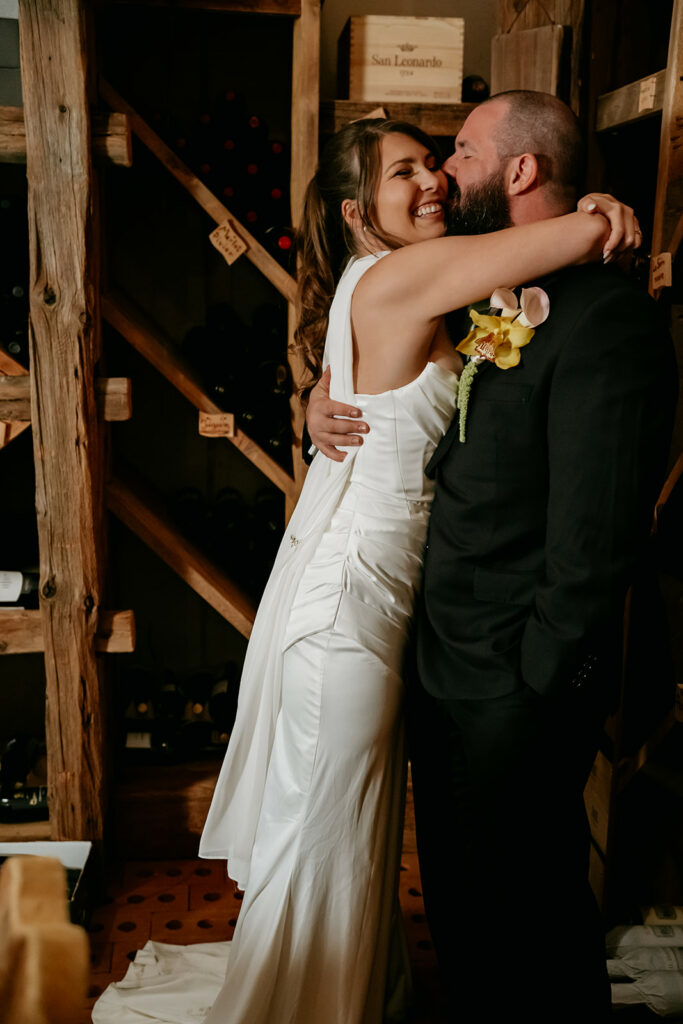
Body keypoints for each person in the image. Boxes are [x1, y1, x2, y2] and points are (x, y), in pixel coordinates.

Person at [92, 116, 637, 1024]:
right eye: (404, 174)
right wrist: (599, 207)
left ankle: (341, 1000)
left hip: (387, 605)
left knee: (351, 837)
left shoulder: (404, 278)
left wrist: (318, 393)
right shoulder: (398, 275)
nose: (429, 182)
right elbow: (577, 235)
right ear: (357, 213)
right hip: (346, 610)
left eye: (436, 164)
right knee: (320, 838)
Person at [306, 93, 678, 1024]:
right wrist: (318, 398)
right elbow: (373, 351)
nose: (440, 174)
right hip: (437, 661)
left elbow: (595, 541)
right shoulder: (482, 287)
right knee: (466, 919)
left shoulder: (606, 322)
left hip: (515, 683)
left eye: (460, 152)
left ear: (517, 171)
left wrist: (540, 679)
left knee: (538, 924)